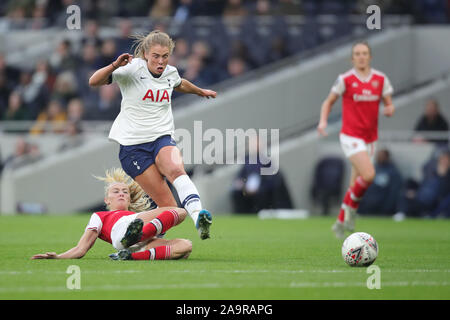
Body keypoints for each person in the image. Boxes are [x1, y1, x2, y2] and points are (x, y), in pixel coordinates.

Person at [88, 30, 216, 240]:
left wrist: (200, 91)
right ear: (146, 53)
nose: (161, 61)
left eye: (165, 56)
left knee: (176, 169)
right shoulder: (130, 69)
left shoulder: (170, 72)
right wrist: (114, 65)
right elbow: (94, 81)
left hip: (161, 138)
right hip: (133, 148)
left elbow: (180, 83)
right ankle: (133, 233)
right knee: (170, 210)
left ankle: (199, 216)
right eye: (156, 56)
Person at [317, 40, 395, 239]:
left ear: (370, 56)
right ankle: (351, 213)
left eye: (364, 53)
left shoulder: (380, 79)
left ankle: (341, 222)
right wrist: (323, 122)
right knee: (368, 175)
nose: (361, 56)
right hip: (351, 136)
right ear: (352, 58)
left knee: (355, 184)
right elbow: (328, 101)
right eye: (357, 53)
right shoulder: (345, 80)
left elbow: (389, 103)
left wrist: (389, 108)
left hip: (370, 139)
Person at [31, 168, 192, 261]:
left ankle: (129, 256)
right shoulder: (100, 216)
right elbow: (81, 248)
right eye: (116, 191)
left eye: (125, 192)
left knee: (186, 247)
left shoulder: (137, 217)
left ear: (129, 198)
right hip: (122, 232)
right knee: (180, 211)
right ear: (107, 200)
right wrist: (59, 257)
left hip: (136, 244)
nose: (121, 194)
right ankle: (138, 236)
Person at [357, 149, 403, 215]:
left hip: (383, 202)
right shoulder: (372, 169)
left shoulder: (393, 172)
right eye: (378, 155)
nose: (379, 157)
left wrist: (388, 205)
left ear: (387, 157)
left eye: (382, 156)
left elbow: (394, 191)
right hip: (369, 202)